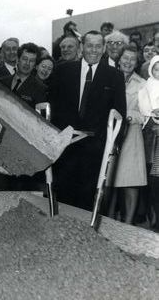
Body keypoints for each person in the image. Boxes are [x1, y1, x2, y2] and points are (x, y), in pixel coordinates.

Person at [49, 30, 126, 210]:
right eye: (90, 45)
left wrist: (114, 145)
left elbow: (119, 113)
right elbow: (53, 106)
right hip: (65, 144)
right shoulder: (63, 71)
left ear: (104, 48)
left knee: (88, 198)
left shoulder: (114, 76)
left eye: (98, 46)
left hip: (96, 148)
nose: (94, 50)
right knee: (64, 195)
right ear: (82, 47)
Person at [107, 46, 147, 224]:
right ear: (119, 59)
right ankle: (107, 221)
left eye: (132, 59)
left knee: (130, 181)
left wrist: (129, 115)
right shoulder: (108, 78)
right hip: (109, 134)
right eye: (125, 58)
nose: (128, 62)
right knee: (108, 180)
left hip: (131, 135)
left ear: (137, 63)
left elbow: (146, 115)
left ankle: (128, 224)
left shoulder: (143, 84)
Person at [139, 55, 159, 231]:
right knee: (151, 177)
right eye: (156, 69)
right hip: (150, 131)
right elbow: (143, 105)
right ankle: (152, 214)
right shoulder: (147, 86)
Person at [0, 42, 46, 108]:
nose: (27, 63)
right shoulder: (2, 81)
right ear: (18, 59)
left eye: (31, 61)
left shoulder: (40, 88)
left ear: (35, 65)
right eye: (25, 59)